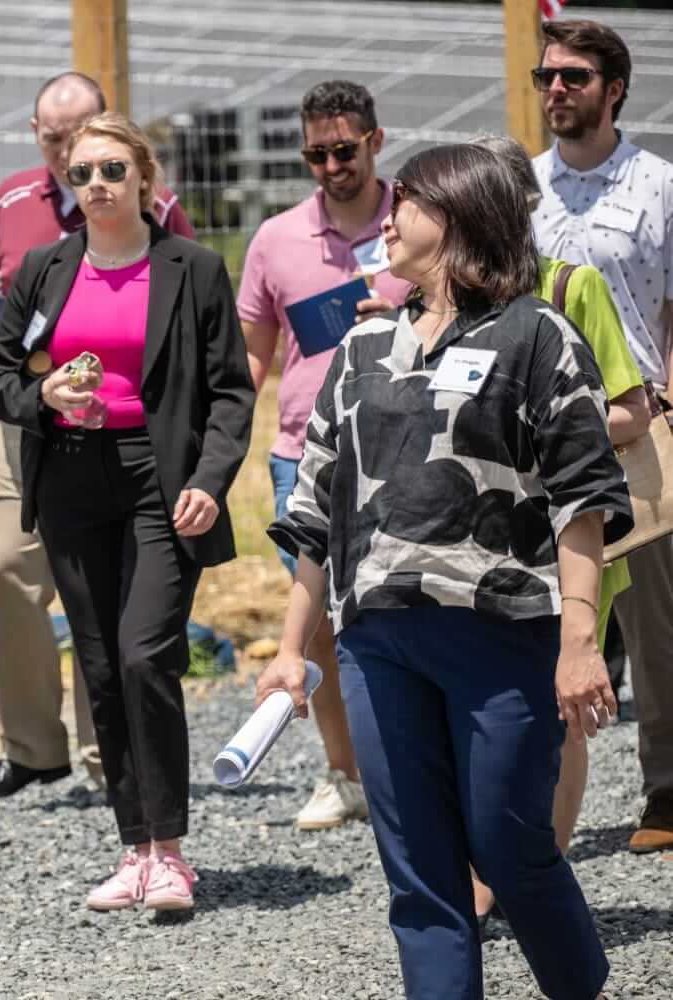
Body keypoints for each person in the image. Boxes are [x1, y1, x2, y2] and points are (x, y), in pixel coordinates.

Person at [258, 143, 628, 1000]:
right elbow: (317, 509)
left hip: (505, 635)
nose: (387, 218)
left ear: (459, 216)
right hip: (377, 642)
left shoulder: (537, 334)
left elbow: (584, 500)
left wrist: (579, 644)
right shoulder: (360, 349)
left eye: (409, 204)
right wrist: (289, 648)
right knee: (420, 872)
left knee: (508, 847)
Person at [0, 113, 253, 912]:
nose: (95, 185)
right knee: (98, 665)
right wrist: (44, 395)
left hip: (158, 480)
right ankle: (134, 849)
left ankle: (172, 852)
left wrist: (212, 475)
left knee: (144, 654)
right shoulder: (44, 269)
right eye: (81, 173)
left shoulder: (193, 268)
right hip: (69, 476)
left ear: (145, 178)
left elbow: (231, 390)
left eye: (111, 171)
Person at [0, 71, 196, 799]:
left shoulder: (159, 208)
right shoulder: (7, 202)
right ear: (37, 135)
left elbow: (191, 294)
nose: (68, 154)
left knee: (114, 585)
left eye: (82, 136)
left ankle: (111, 758)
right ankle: (32, 748)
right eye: (55, 139)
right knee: (1, 566)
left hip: (123, 429)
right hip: (25, 414)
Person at [472, 132, 652, 921]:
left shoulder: (570, 287)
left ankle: (535, 875)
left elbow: (630, 408)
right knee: (481, 706)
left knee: (559, 709)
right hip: (475, 534)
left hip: (569, 531)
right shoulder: (450, 296)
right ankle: (492, 873)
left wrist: (533, 430)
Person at [238, 80, 410, 830]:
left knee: (408, 611)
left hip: (410, 444)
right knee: (322, 623)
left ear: (376, 140)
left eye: (344, 150)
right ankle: (344, 773)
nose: (331, 166)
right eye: (316, 154)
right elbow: (251, 354)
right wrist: (209, 451)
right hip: (304, 452)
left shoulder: (424, 219)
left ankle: (410, 767)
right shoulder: (275, 238)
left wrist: (408, 312)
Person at [530, 17, 673, 856]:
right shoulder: (525, 189)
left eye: (575, 76)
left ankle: (665, 783)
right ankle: (544, 809)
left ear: (614, 89)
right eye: (548, 75)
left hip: (640, 425)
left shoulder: (657, 183)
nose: (557, 89)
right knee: (558, 614)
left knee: (657, 618)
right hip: (546, 431)